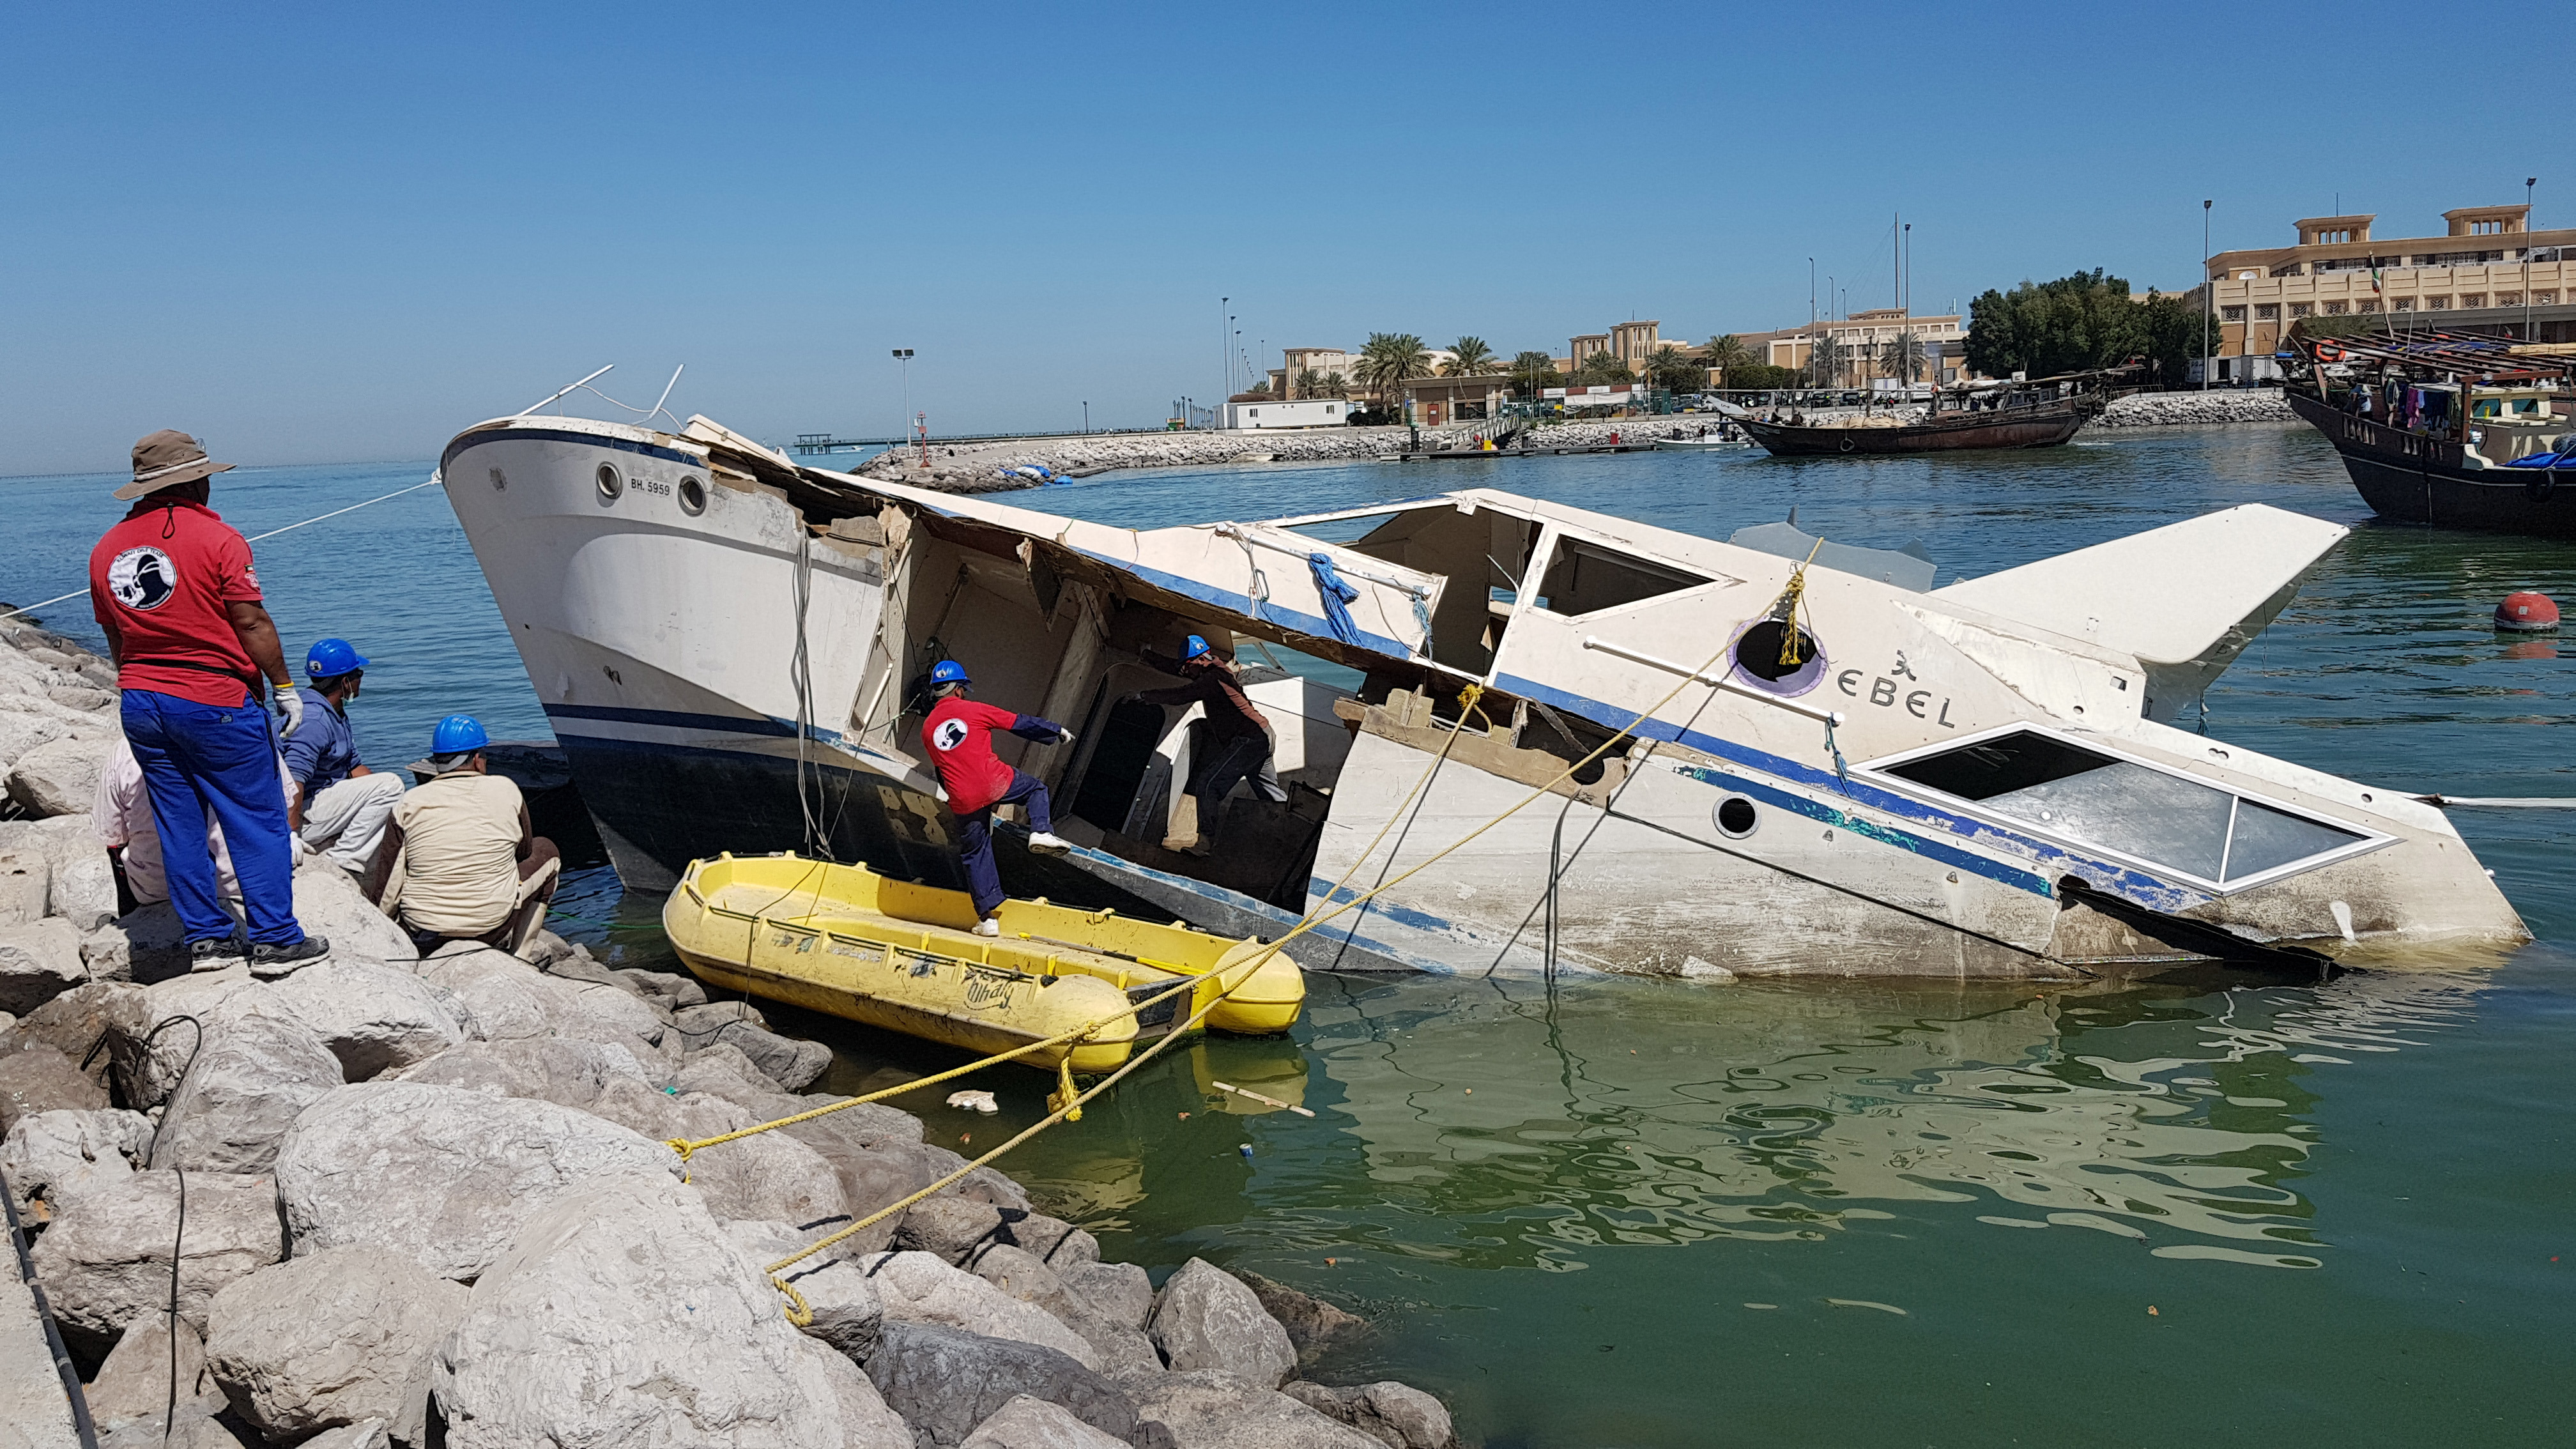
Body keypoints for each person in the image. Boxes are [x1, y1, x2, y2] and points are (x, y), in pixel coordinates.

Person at [88, 429, 326, 972]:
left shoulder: (106, 550)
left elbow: (116, 639)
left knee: (178, 821)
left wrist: (137, 686)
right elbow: (251, 620)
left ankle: (208, 941)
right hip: (214, 697)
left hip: (143, 700)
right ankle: (275, 939)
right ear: (195, 481)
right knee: (255, 817)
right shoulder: (220, 540)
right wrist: (285, 688)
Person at [378, 716, 559, 954]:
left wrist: (380, 924)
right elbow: (523, 852)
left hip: (423, 931)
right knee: (547, 851)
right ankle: (520, 957)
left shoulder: (409, 802)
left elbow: (390, 880)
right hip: (490, 927)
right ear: (476, 760)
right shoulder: (506, 789)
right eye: (484, 755)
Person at [919, 660, 1075, 937]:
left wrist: (957, 797)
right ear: (959, 690)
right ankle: (1040, 832)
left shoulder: (928, 729)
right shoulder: (975, 709)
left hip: (962, 797)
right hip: (994, 782)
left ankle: (987, 920)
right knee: (1036, 789)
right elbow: (1019, 723)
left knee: (975, 853)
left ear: (935, 693)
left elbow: (942, 770)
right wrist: (1056, 731)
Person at [95, 736, 307, 914]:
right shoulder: (250, 732)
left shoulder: (127, 748)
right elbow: (286, 805)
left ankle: (132, 918)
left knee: (118, 847)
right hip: (245, 884)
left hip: (158, 890)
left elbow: (113, 837)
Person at [1123, 634, 1286, 854]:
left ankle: (1205, 843)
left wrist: (1145, 695)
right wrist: (1148, 655)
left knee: (1208, 784)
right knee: (1270, 794)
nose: (1185, 672)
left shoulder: (1212, 680)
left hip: (1249, 740)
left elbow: (1182, 695)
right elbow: (1178, 668)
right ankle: (1301, 827)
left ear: (1199, 661)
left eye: (1188, 667)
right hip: (1263, 735)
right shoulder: (1209, 669)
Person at [282, 637, 404, 887]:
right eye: (358, 673)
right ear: (346, 681)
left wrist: (401, 805)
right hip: (302, 811)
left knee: (392, 795)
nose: (362, 679)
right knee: (391, 785)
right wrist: (290, 834)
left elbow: (354, 768)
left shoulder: (333, 712)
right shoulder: (314, 721)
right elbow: (294, 779)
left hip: (318, 804)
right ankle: (342, 860)